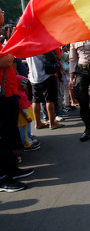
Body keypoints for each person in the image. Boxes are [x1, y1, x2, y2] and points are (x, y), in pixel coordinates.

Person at [0, 48, 34, 192]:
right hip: (3, 97)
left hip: (9, 94)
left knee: (8, 137)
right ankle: (3, 177)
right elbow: (7, 61)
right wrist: (11, 49)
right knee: (2, 137)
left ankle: (11, 169)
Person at [26, 50, 64, 130]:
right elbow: (55, 58)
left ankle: (38, 123)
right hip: (46, 76)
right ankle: (52, 123)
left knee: (35, 100)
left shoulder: (27, 46)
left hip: (33, 77)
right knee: (50, 100)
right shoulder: (41, 45)